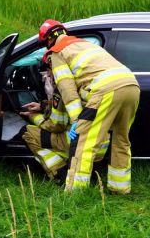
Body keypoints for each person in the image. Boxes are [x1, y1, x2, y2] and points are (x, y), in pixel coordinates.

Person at [38, 20, 140, 194]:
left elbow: (67, 91)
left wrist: (78, 120)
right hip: (131, 86)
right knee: (121, 140)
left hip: (106, 90)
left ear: (48, 41)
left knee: (84, 144)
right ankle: (120, 189)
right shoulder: (85, 44)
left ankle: (75, 193)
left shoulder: (57, 53)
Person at [20, 59, 109, 183]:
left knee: (27, 132)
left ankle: (60, 174)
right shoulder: (85, 83)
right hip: (101, 143)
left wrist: (32, 116)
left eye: (49, 70)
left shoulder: (63, 88)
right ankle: (90, 174)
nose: (48, 75)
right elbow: (67, 107)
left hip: (77, 142)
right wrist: (42, 106)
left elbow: (55, 126)